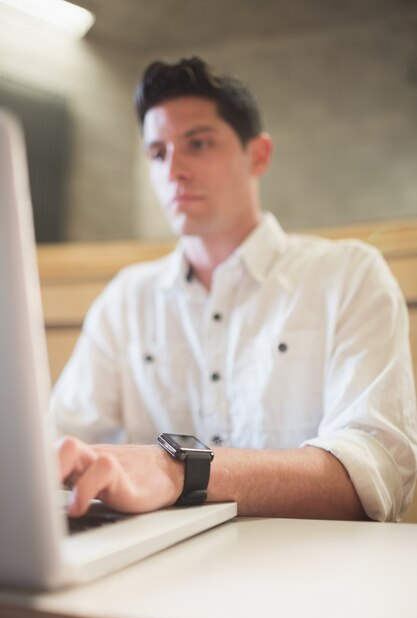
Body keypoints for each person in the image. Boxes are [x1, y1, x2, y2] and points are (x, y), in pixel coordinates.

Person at [52, 57, 417, 522]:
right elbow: (58, 440)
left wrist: (175, 470)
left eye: (198, 144)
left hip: (310, 569)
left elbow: (375, 477)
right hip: (153, 571)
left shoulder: (348, 276)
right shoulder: (126, 299)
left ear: (258, 154)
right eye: (157, 153)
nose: (174, 170)